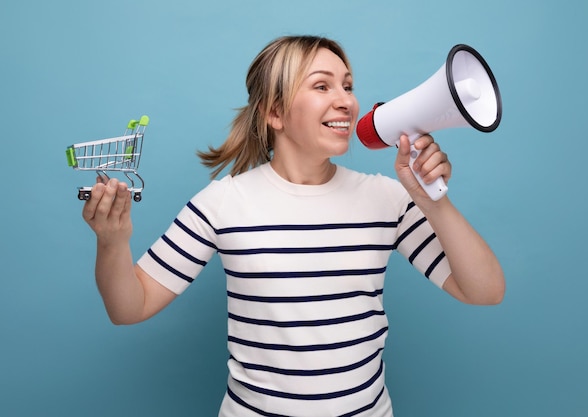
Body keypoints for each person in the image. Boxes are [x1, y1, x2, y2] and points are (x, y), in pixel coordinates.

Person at [82, 35, 505, 417]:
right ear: (275, 113)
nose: (345, 100)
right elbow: (128, 307)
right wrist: (112, 241)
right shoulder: (223, 203)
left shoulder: (388, 198)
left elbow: (484, 291)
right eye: (322, 86)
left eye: (348, 85)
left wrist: (435, 200)